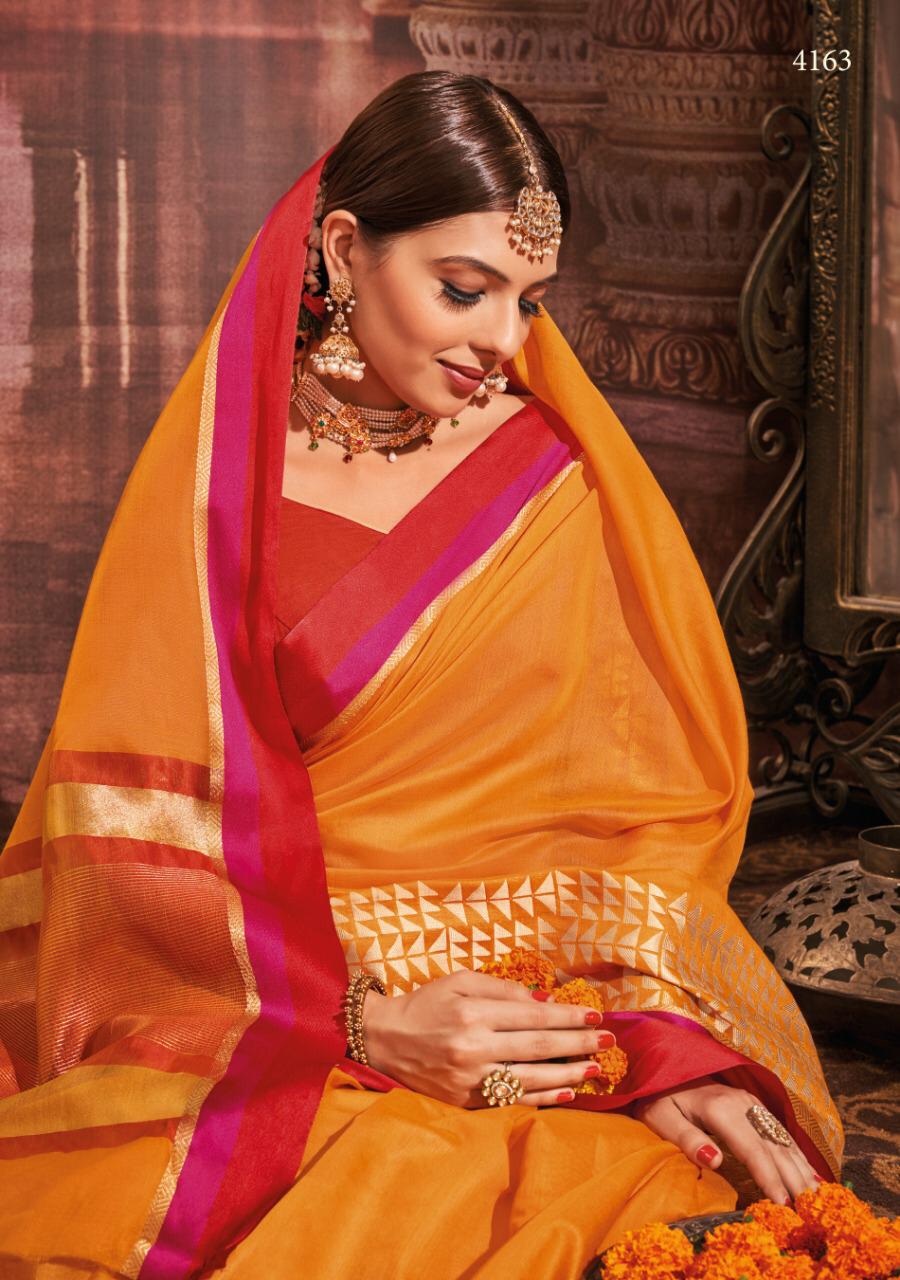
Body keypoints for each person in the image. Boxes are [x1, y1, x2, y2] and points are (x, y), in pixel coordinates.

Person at [0, 71, 841, 1280]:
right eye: (464, 288)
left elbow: (638, 835)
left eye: (530, 300)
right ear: (345, 250)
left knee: (663, 1211)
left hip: (531, 1031)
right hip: (270, 1031)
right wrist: (362, 1024)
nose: (505, 341)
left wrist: (642, 1051)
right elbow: (130, 871)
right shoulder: (219, 489)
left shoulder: (549, 485)